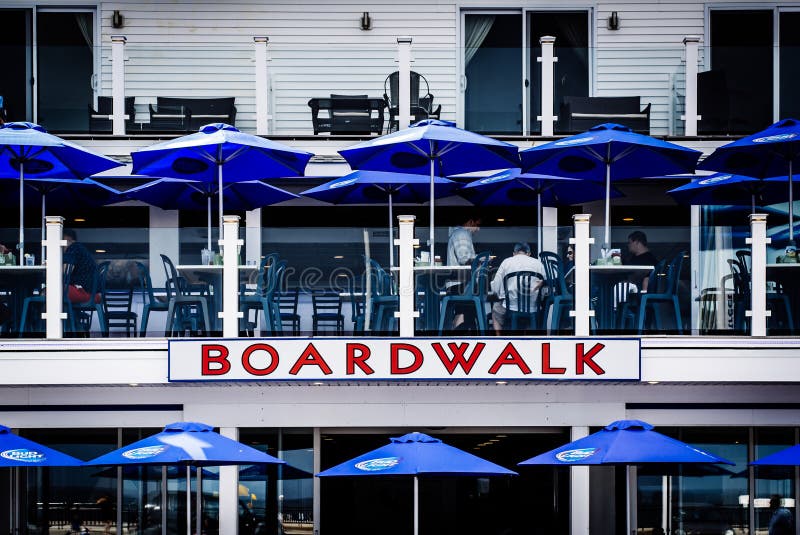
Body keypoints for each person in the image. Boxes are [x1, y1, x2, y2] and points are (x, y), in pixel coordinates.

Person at [490, 242, 545, 335]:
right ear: (529, 253)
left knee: (496, 310)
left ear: (514, 253)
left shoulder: (507, 262)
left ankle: (499, 339)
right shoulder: (538, 263)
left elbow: (496, 286)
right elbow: (545, 286)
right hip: (533, 307)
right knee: (531, 316)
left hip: (511, 306)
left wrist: (500, 294)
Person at [445, 216, 481, 330]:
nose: (478, 229)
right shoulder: (462, 234)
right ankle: (461, 337)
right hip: (461, 284)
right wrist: (482, 259)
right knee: (465, 311)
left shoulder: (459, 234)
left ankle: (462, 337)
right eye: (477, 225)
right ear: (470, 222)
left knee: (465, 312)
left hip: (460, 283)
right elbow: (464, 258)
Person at [64, 228, 99, 304]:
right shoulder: (80, 248)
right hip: (93, 292)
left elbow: (66, 271)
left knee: (52, 290)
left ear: (67, 239)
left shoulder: (73, 247)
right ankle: (74, 314)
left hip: (86, 293)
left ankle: (38, 315)